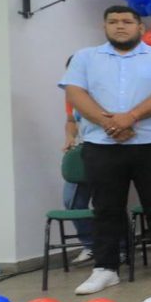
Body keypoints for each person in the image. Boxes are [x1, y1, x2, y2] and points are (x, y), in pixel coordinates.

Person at [59, 5, 151, 294]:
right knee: (106, 207)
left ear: (140, 28)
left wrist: (130, 117)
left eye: (127, 22)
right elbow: (75, 93)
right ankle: (105, 267)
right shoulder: (85, 58)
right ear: (104, 26)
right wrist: (110, 123)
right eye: (114, 21)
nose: (120, 26)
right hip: (102, 145)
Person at [62, 58, 93, 265]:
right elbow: (71, 121)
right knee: (72, 202)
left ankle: (119, 248)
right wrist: (70, 138)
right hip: (81, 151)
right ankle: (90, 244)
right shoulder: (72, 94)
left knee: (108, 204)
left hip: (105, 151)